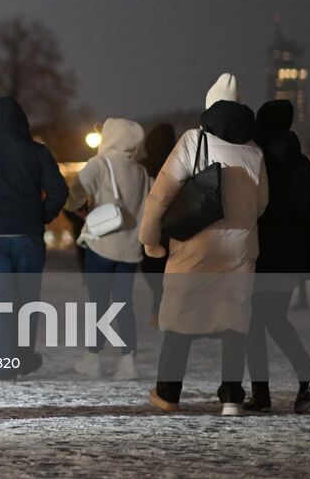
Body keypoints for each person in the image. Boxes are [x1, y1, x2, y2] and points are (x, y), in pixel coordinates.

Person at [140, 73, 268, 416]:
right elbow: (261, 204)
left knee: (182, 316)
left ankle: (168, 392)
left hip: (195, 245)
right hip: (239, 251)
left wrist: (150, 240)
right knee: (233, 320)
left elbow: (160, 196)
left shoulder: (192, 141)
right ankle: (231, 397)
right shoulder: (254, 150)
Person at [0, 96, 69, 378]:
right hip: (28, 235)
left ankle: (6, 362)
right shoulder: (37, 153)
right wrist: (41, 215)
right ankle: (22, 357)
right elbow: (59, 191)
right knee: (27, 300)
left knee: (1, 302)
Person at [243, 100, 310, 413]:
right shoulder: (301, 162)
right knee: (274, 319)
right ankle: (303, 377)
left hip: (263, 249)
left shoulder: (259, 158)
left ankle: (263, 393)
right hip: (291, 251)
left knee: (255, 322)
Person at [65, 118, 149, 380]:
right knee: (124, 304)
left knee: (98, 303)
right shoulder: (141, 172)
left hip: (101, 245)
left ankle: (94, 357)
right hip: (130, 249)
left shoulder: (99, 164)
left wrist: (81, 210)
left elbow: (73, 196)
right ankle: (128, 361)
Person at [139, 123, 177, 321]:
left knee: (152, 267)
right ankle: (164, 306)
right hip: (174, 227)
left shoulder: (143, 167)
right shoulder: (178, 163)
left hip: (148, 225)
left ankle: (159, 305)